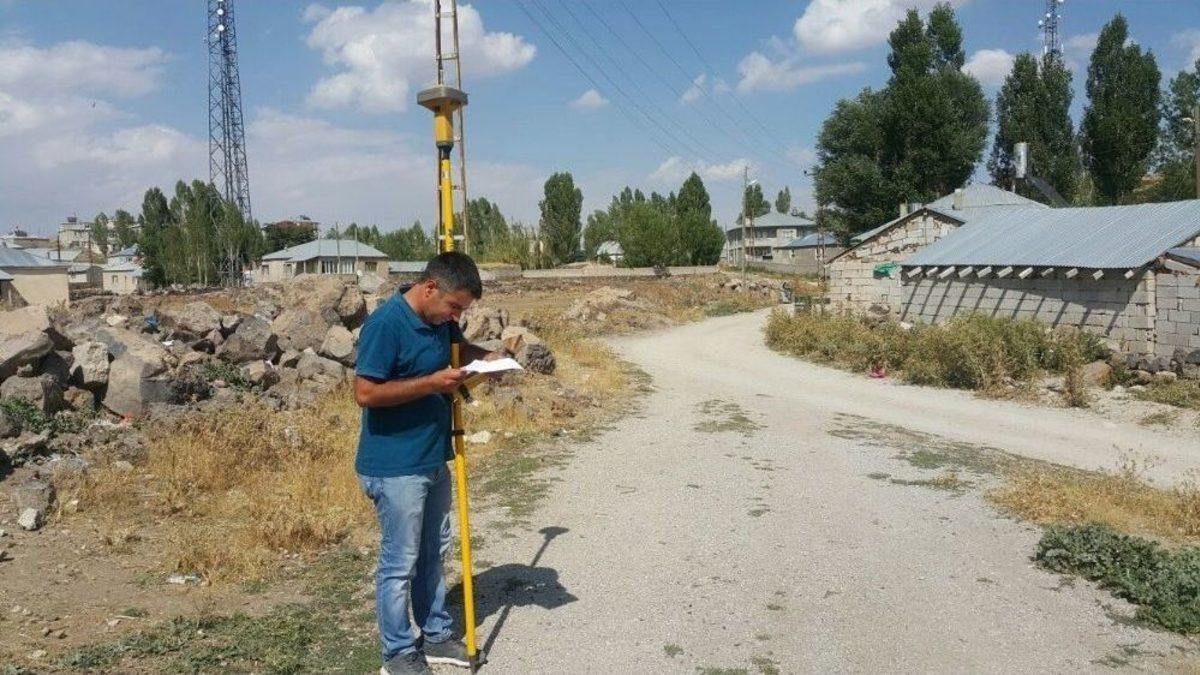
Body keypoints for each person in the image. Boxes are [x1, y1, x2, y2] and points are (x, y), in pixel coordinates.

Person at [354, 252, 498, 675]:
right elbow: (366, 393)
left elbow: (457, 349)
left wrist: (485, 357)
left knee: (434, 552)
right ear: (430, 287)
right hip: (395, 466)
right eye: (454, 307)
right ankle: (398, 653)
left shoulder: (441, 321)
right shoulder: (386, 325)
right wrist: (431, 384)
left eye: (462, 311)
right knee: (400, 562)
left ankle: (435, 636)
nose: (456, 317)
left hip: (434, 456)